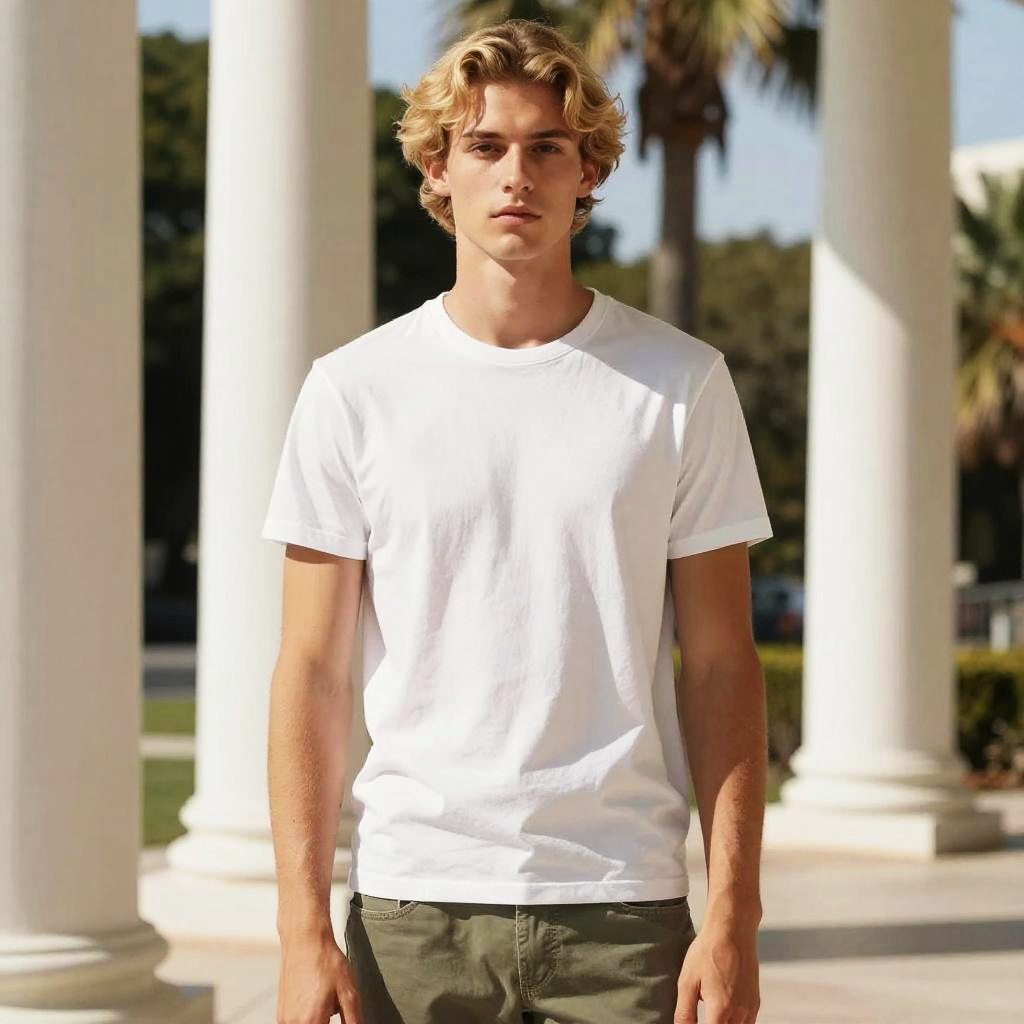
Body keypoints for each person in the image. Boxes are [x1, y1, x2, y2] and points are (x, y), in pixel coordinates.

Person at [261, 18, 771, 1024]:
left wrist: (732, 918)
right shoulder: (352, 394)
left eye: (547, 148)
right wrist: (300, 931)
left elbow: (722, 665)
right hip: (415, 912)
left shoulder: (678, 386)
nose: (516, 176)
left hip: (623, 915)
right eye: (485, 146)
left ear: (588, 175)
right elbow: (312, 670)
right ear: (436, 168)